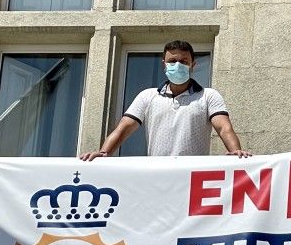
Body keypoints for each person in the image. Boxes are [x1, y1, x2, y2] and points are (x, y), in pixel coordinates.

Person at [81, 39, 249, 160]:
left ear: (193, 65)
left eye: (184, 61)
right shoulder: (147, 96)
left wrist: (236, 152)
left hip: (193, 176)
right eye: (172, 61)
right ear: (164, 64)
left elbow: (224, 128)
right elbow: (123, 129)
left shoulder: (208, 96)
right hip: (157, 175)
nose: (178, 65)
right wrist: (104, 153)